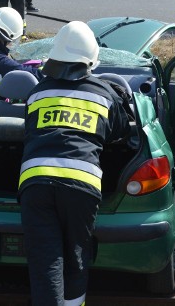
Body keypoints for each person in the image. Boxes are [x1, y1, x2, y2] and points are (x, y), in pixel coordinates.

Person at [18, 21, 131, 305]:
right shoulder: (104, 93)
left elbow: (29, 130)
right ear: (91, 60)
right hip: (82, 185)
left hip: (35, 184)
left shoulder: (37, 93)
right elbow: (120, 131)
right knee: (75, 259)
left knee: (46, 262)